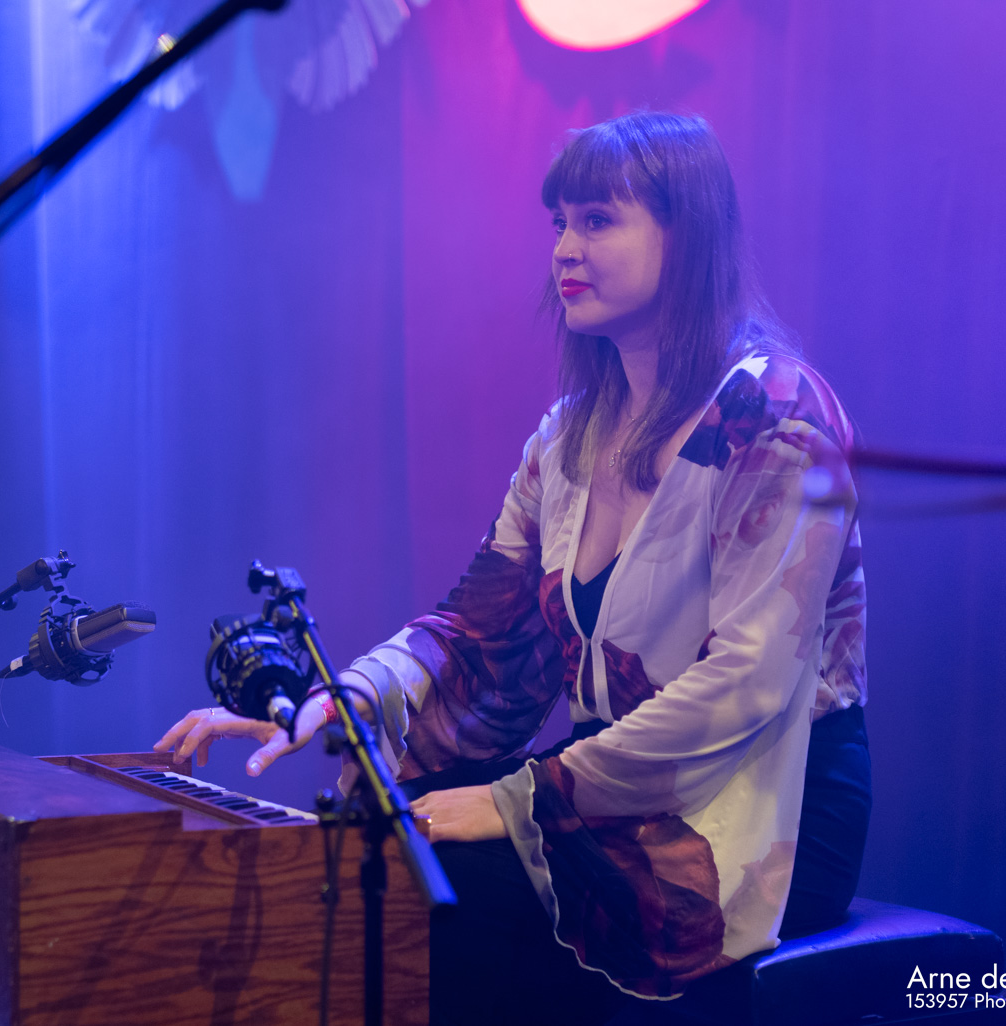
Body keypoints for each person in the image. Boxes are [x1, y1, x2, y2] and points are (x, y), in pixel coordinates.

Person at [155, 111, 869, 1025]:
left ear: (685, 233)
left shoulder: (773, 410)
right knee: (380, 834)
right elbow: (476, 630)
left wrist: (515, 801)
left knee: (435, 874)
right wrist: (340, 701)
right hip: (615, 783)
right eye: (559, 223)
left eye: (597, 220)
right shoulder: (568, 436)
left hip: (769, 800)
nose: (564, 248)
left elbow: (748, 683)